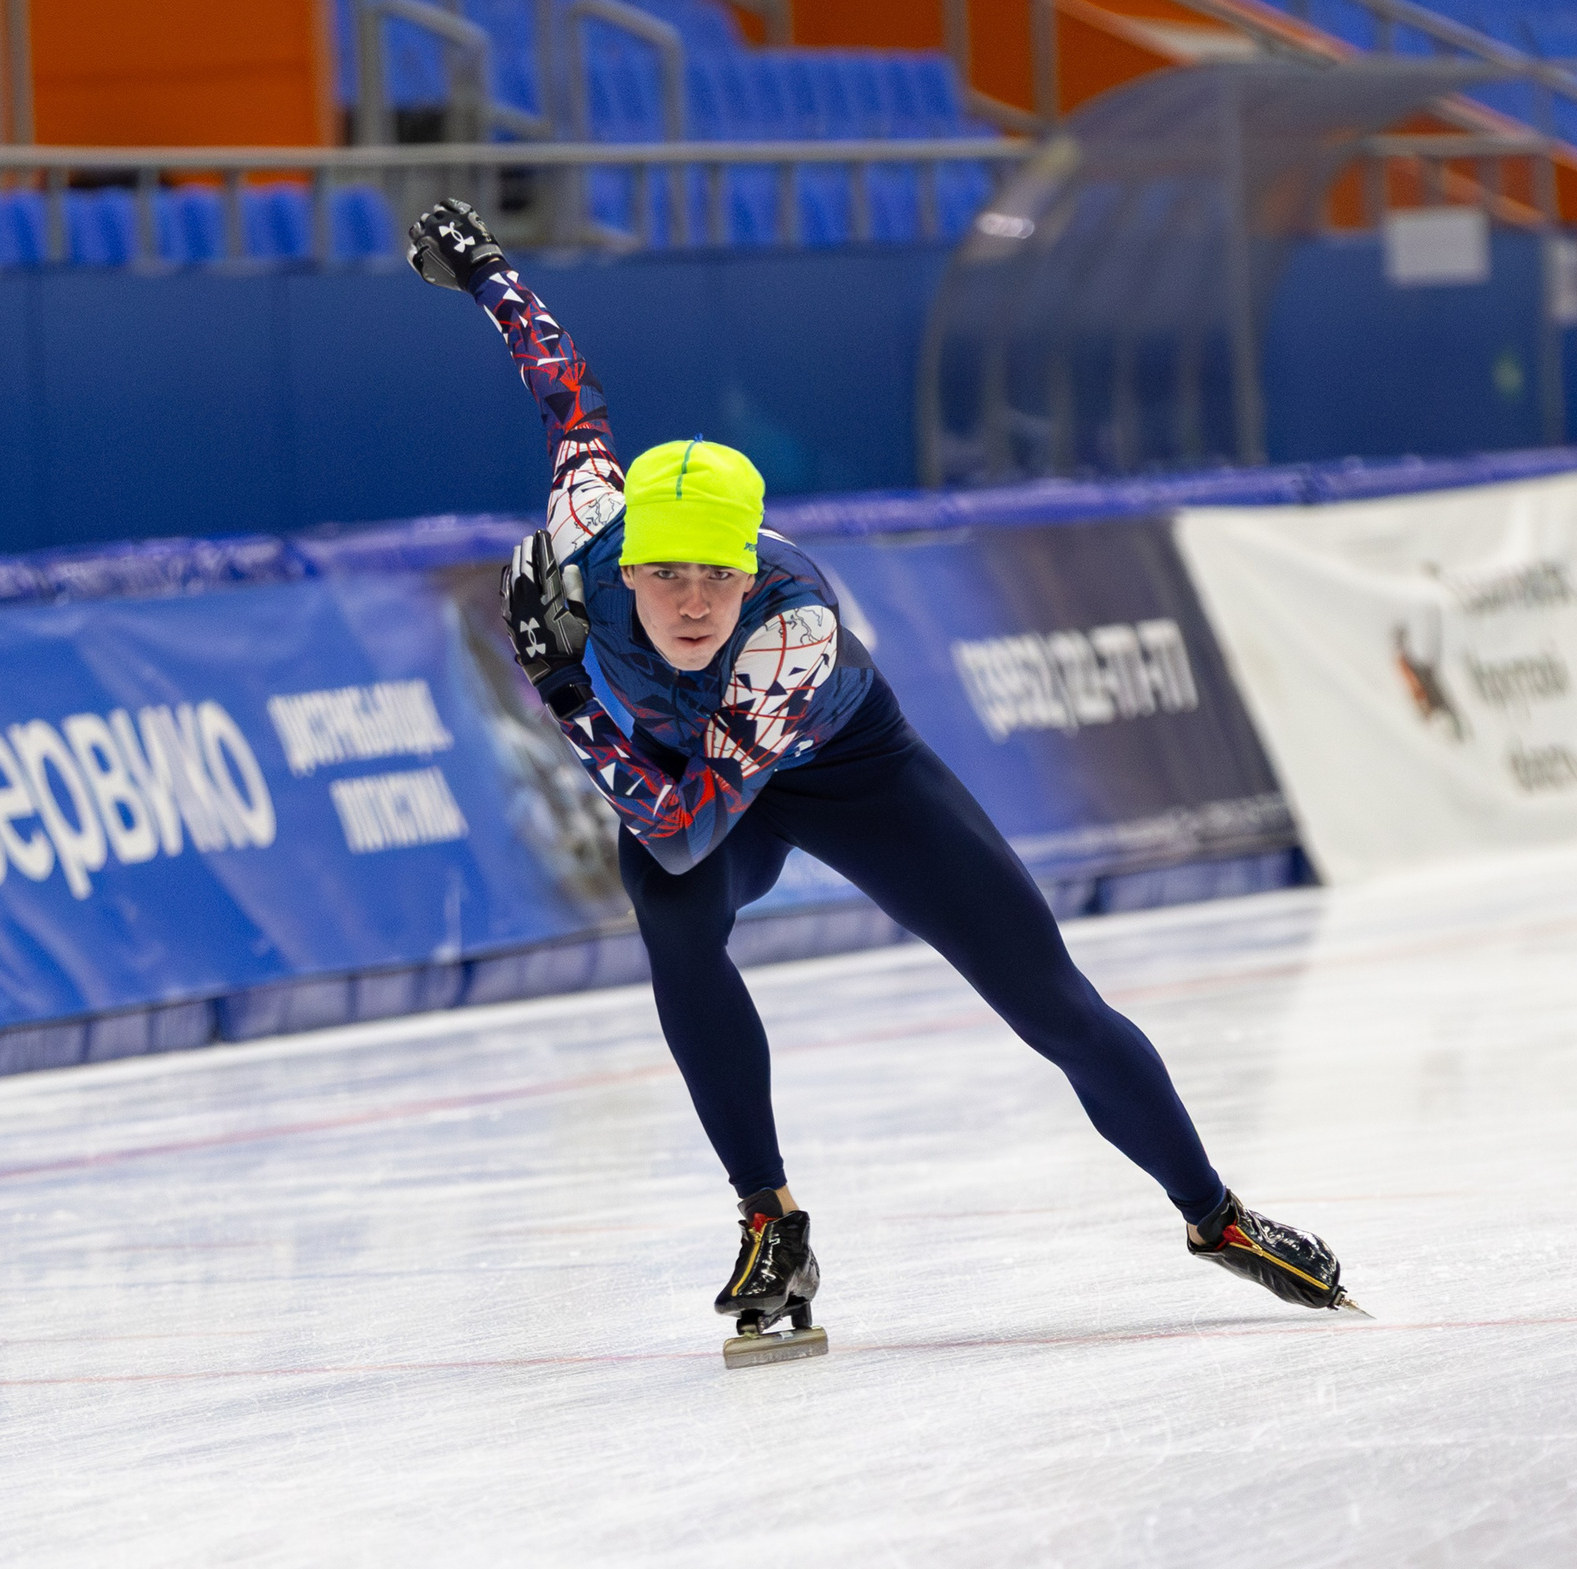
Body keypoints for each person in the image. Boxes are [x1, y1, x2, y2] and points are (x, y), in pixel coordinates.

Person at [407, 199, 1359, 1364]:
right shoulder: (581, 532)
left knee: (1051, 1003)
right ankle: (770, 1222)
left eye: (717, 577)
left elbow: (683, 829)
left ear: (751, 568)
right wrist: (488, 271)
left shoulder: (791, 627)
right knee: (679, 940)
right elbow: (565, 388)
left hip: (844, 769)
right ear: (622, 560)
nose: (693, 604)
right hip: (684, 763)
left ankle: (1215, 1217)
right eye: (665, 577)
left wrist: (564, 693)